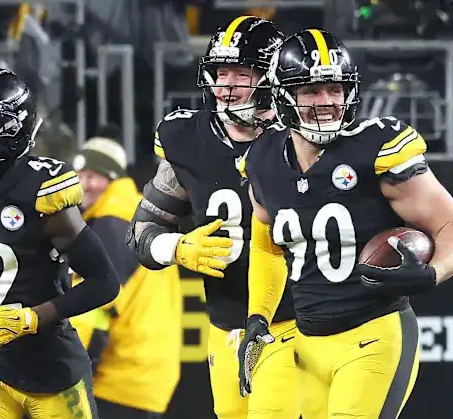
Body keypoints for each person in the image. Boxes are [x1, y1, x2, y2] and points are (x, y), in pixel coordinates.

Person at [237, 29, 453, 419]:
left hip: (373, 334)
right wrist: (258, 315)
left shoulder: (374, 148)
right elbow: (266, 245)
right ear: (283, 97)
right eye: (312, 91)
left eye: (335, 89)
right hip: (307, 343)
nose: (327, 102)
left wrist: (434, 272)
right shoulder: (263, 159)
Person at [127, 16, 300, 419]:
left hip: (298, 318)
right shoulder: (188, 138)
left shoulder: (301, 137)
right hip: (226, 321)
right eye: (221, 73)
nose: (226, 86)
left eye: (241, 74)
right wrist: (177, 247)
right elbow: (142, 231)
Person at [0, 66, 121, 419]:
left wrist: (30, 319)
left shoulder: (41, 188)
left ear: (13, 130)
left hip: (52, 370)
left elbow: (105, 282)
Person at [69, 134, 182, 419]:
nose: (84, 184)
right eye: (80, 175)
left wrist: (65, 373)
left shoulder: (113, 223)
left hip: (118, 376)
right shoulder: (134, 212)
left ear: (113, 178)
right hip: (144, 374)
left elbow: (92, 306)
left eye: (94, 176)